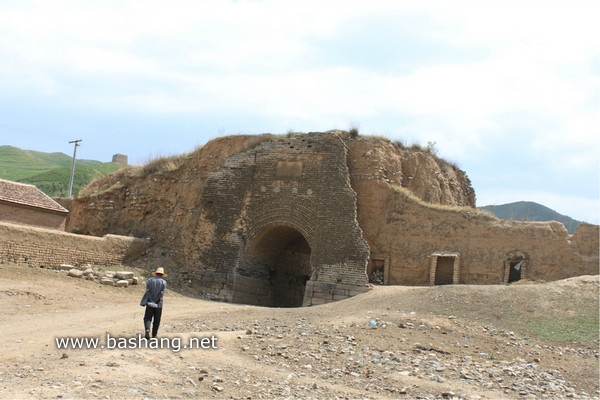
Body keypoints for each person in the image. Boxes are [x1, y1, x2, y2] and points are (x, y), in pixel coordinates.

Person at [140, 267, 167, 339]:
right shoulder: (163, 282)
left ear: (155, 274)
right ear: (162, 275)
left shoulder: (149, 280)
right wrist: (156, 301)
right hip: (159, 304)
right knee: (157, 319)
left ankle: (147, 329)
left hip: (149, 303)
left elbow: (148, 291)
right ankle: (154, 334)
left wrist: (151, 300)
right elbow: (162, 293)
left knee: (147, 317)